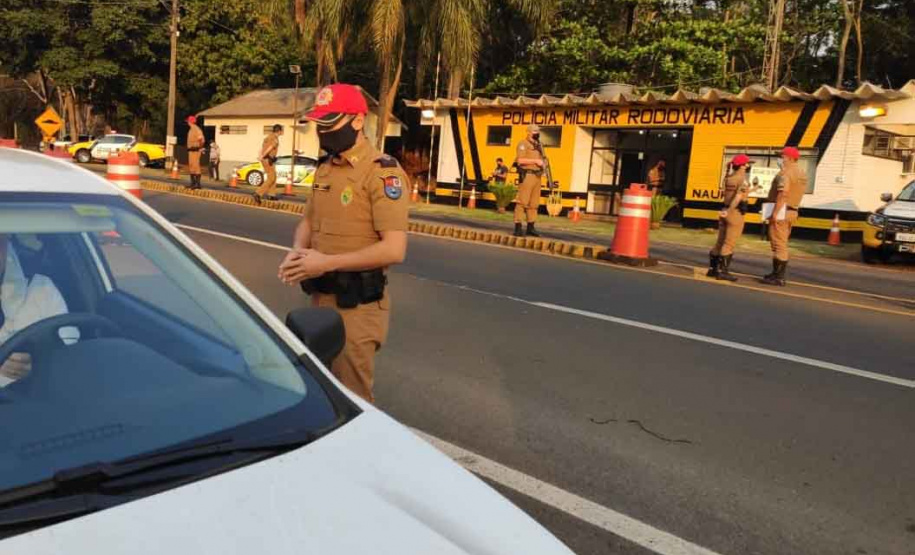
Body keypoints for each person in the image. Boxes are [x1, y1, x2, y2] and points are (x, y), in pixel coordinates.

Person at [277, 84, 409, 404]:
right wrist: (297, 251)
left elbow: (394, 249)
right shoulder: (325, 169)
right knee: (319, 392)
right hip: (321, 298)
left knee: (352, 400)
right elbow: (308, 222)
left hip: (357, 308)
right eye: (319, 124)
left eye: (330, 123)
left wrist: (326, 262)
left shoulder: (381, 174)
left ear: (357, 121)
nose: (323, 131)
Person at [0, 234, 72, 386]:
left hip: (38, 400)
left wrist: (39, 363)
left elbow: (70, 353)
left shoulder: (43, 289)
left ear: (7, 242)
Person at [762, 146, 808, 286]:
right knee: (781, 242)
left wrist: (774, 213)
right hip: (792, 210)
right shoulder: (801, 173)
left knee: (779, 244)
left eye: (781, 156)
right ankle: (775, 273)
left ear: (787, 157)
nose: (780, 158)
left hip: (782, 210)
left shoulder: (785, 173)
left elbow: (783, 193)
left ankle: (778, 277)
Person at [707, 154, 753, 282]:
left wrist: (725, 210)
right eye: (747, 163)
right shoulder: (743, 179)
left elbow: (731, 193)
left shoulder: (729, 177)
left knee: (719, 242)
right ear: (743, 165)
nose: (748, 165)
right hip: (734, 212)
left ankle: (712, 269)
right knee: (729, 244)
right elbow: (737, 198)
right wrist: (729, 211)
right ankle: (723, 272)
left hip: (724, 209)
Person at [513, 124, 545, 237]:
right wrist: (535, 162)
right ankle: (517, 227)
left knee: (534, 203)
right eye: (535, 131)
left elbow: (542, 159)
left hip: (537, 176)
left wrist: (543, 167)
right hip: (527, 175)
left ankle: (531, 227)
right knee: (522, 202)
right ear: (529, 132)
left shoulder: (539, 145)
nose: (537, 133)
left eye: (538, 131)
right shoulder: (523, 144)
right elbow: (520, 160)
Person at [254, 124, 283, 204]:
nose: (282, 132)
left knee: (273, 176)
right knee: (271, 178)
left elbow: (262, 147)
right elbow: (270, 147)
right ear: (279, 131)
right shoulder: (275, 138)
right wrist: (263, 156)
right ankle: (258, 193)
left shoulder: (267, 137)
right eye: (282, 131)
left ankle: (271, 194)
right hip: (268, 159)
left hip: (267, 159)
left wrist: (260, 156)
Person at [186, 115, 205, 190]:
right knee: (191, 166)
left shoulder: (197, 129)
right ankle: (193, 183)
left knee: (196, 166)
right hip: (191, 150)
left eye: (188, 121)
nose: (187, 123)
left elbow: (201, 140)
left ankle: (197, 184)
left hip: (195, 150)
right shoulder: (191, 129)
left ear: (190, 122)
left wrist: (199, 147)